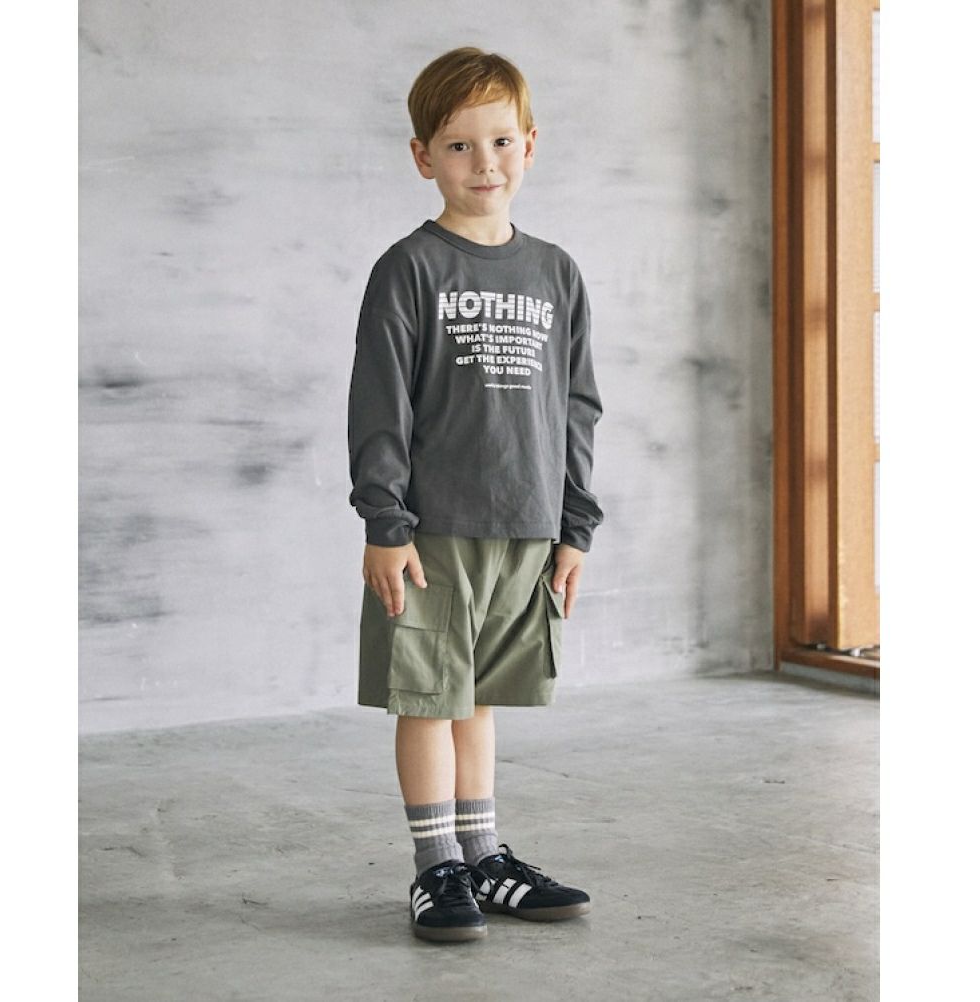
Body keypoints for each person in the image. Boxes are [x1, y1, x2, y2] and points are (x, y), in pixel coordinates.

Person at [346, 46, 604, 943]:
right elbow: (380, 403)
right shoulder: (410, 268)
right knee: (428, 698)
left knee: (479, 696)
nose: (483, 162)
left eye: (499, 141)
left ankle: (484, 856)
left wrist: (575, 527)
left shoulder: (555, 272)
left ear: (529, 145)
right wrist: (385, 522)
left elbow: (577, 405)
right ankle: (437, 867)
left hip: (525, 526)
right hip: (430, 531)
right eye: (459, 145)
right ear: (424, 157)